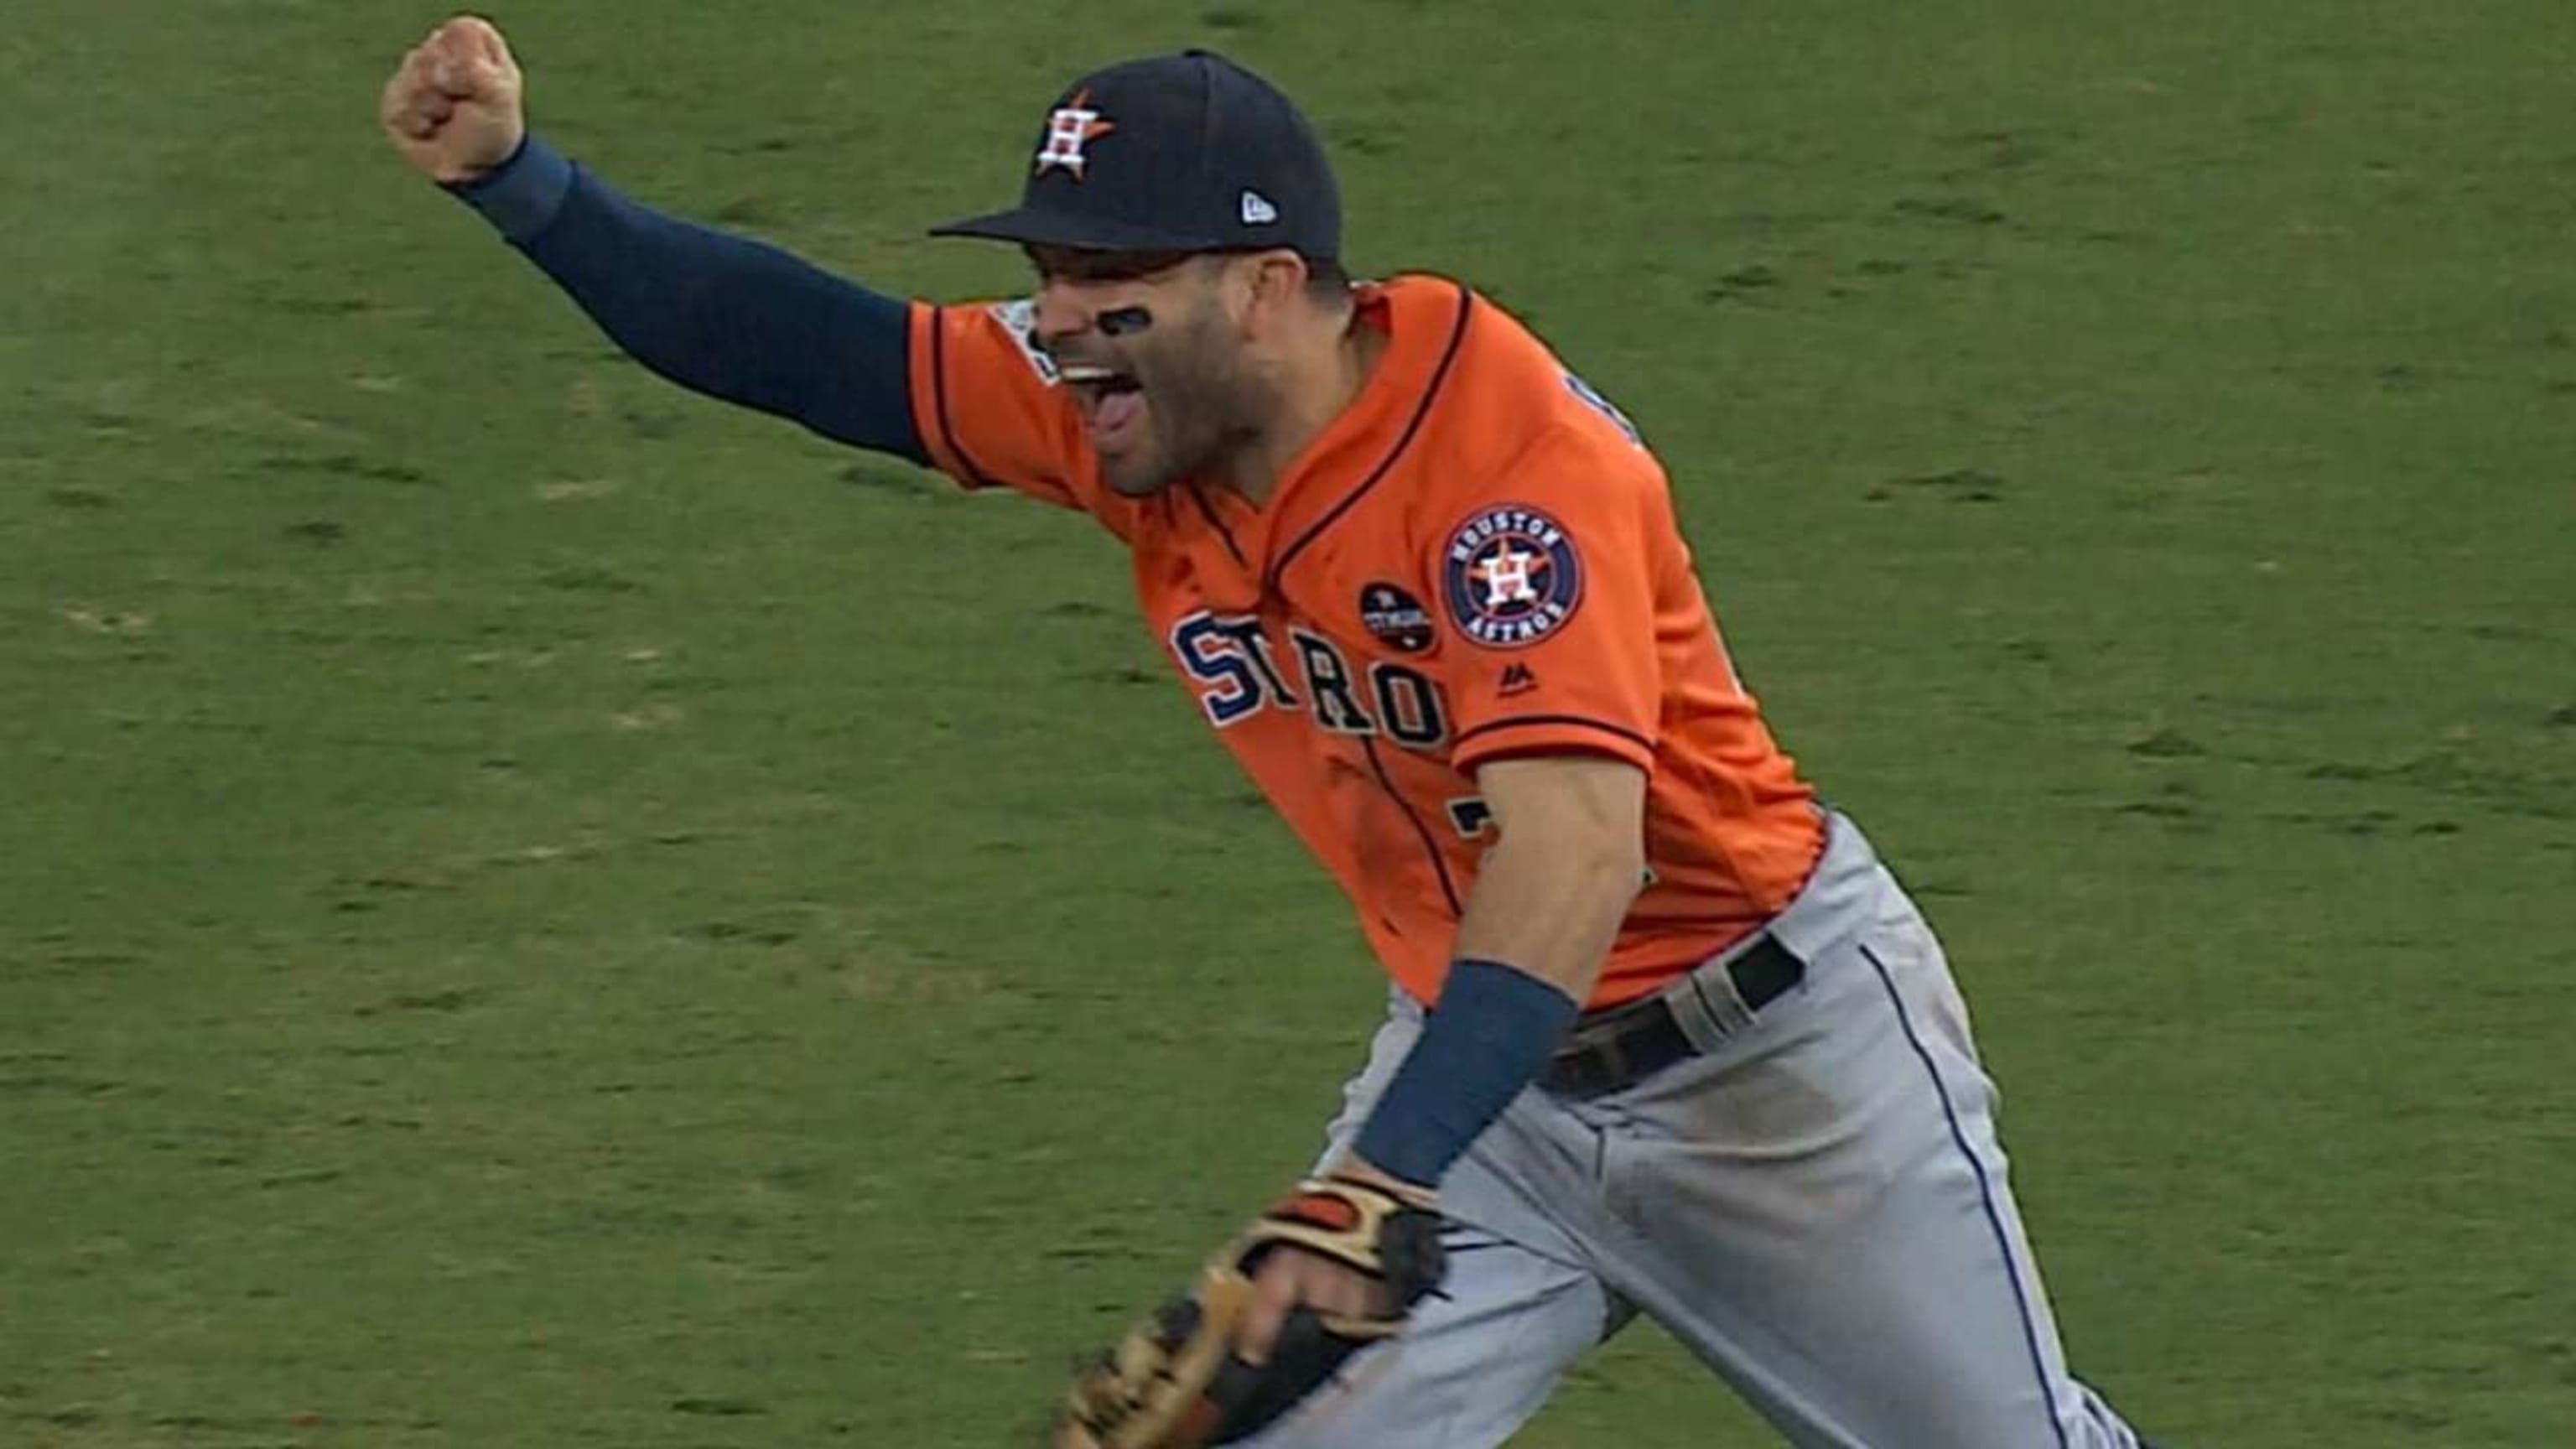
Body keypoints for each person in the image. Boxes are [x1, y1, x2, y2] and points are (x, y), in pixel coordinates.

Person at [381, 17, 2153, 1448]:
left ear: (1265, 287)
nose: (1061, 325)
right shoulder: (1131, 411)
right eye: (1052, 277)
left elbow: (1579, 852)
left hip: (1776, 1080)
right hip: (1490, 1099)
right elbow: (818, 350)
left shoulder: (1513, 482)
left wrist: (1383, 1177)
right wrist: (525, 185)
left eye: (1106, 282)